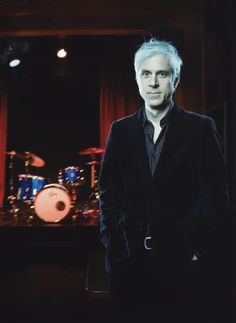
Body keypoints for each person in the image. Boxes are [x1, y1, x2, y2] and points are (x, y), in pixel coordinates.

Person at [98, 38, 230, 322]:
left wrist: (200, 251)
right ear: (137, 78)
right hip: (129, 263)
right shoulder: (119, 131)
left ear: (176, 79)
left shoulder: (201, 128)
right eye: (146, 74)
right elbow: (108, 191)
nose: (153, 82)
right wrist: (113, 244)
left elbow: (217, 195)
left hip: (182, 265)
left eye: (162, 74)